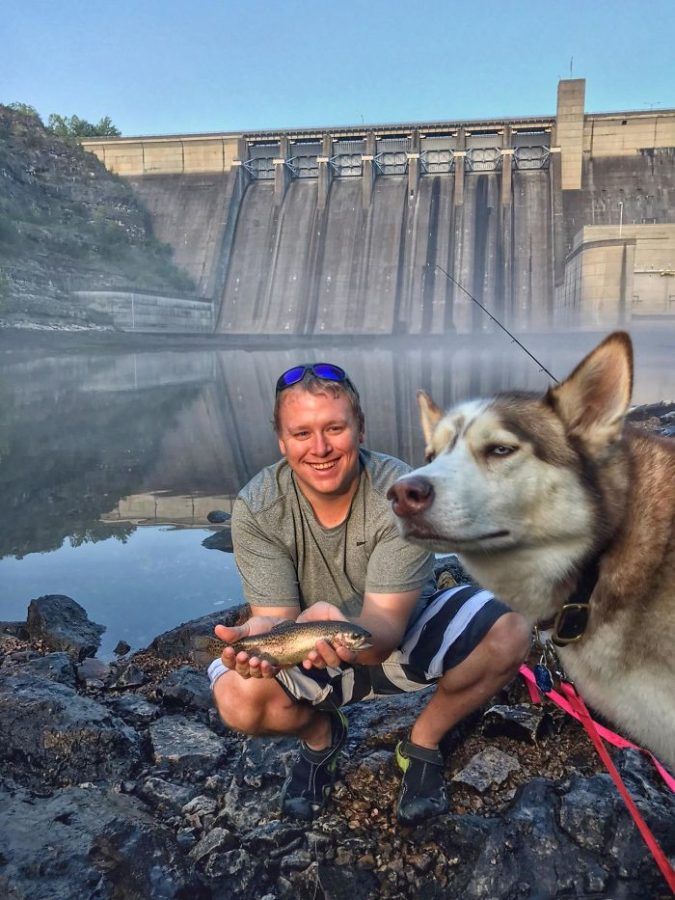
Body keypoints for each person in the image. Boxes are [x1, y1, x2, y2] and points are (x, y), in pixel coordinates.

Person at [209, 363, 530, 825]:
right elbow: (276, 622)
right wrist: (261, 636)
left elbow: (383, 630)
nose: (319, 448)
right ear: (281, 441)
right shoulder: (258, 507)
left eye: (334, 428)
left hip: (393, 643)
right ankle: (323, 738)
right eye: (301, 433)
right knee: (238, 695)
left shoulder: (402, 492)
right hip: (312, 654)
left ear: (359, 430)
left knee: (510, 629)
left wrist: (334, 622)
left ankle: (421, 742)